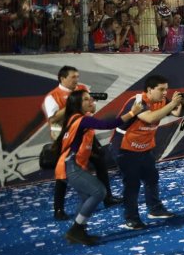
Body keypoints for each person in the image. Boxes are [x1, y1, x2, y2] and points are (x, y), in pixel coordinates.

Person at [57, 91, 143, 245]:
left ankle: (79, 232)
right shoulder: (82, 120)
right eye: (85, 99)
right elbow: (108, 125)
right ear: (77, 104)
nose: (90, 101)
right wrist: (132, 113)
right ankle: (76, 229)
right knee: (99, 192)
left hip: (70, 165)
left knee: (85, 198)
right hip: (72, 166)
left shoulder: (73, 119)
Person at [44, 66, 120, 220]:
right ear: (62, 78)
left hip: (85, 132)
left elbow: (91, 110)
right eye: (73, 77)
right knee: (63, 173)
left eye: (77, 77)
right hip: (67, 136)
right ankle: (58, 209)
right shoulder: (52, 96)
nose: (77, 80)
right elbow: (53, 119)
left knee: (100, 161)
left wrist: (90, 104)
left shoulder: (82, 89)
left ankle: (107, 197)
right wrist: (73, 105)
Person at [113, 76, 184, 230]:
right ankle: (131, 218)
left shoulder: (162, 101)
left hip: (145, 147)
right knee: (132, 184)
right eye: (161, 89)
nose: (165, 92)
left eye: (166, 89)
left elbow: (177, 113)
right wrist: (172, 103)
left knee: (152, 178)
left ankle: (155, 209)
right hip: (125, 147)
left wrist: (181, 104)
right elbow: (150, 118)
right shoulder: (138, 101)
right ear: (149, 90)